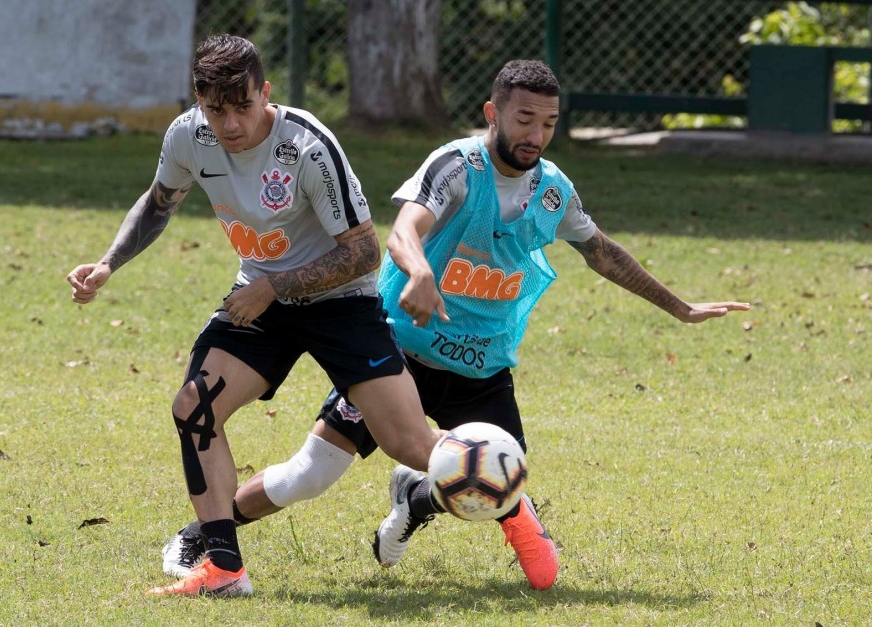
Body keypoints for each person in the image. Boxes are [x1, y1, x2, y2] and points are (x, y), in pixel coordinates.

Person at [160, 59, 751, 591]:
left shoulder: (553, 192)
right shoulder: (456, 166)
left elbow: (602, 252)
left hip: (484, 366)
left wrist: (680, 307)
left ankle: (417, 497)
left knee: (521, 524)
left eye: (548, 124)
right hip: (403, 350)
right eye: (524, 120)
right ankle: (209, 532)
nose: (535, 136)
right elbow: (401, 232)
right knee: (308, 477)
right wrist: (418, 275)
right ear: (494, 113)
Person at [65, 34, 444, 598]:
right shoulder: (188, 136)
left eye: (243, 105)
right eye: (216, 109)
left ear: (265, 92)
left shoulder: (308, 147)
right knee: (195, 407)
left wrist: (275, 286)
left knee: (411, 444)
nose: (231, 123)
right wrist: (108, 262)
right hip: (260, 300)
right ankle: (223, 568)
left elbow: (364, 251)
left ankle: (512, 504)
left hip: (340, 302)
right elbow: (159, 201)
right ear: (199, 101)